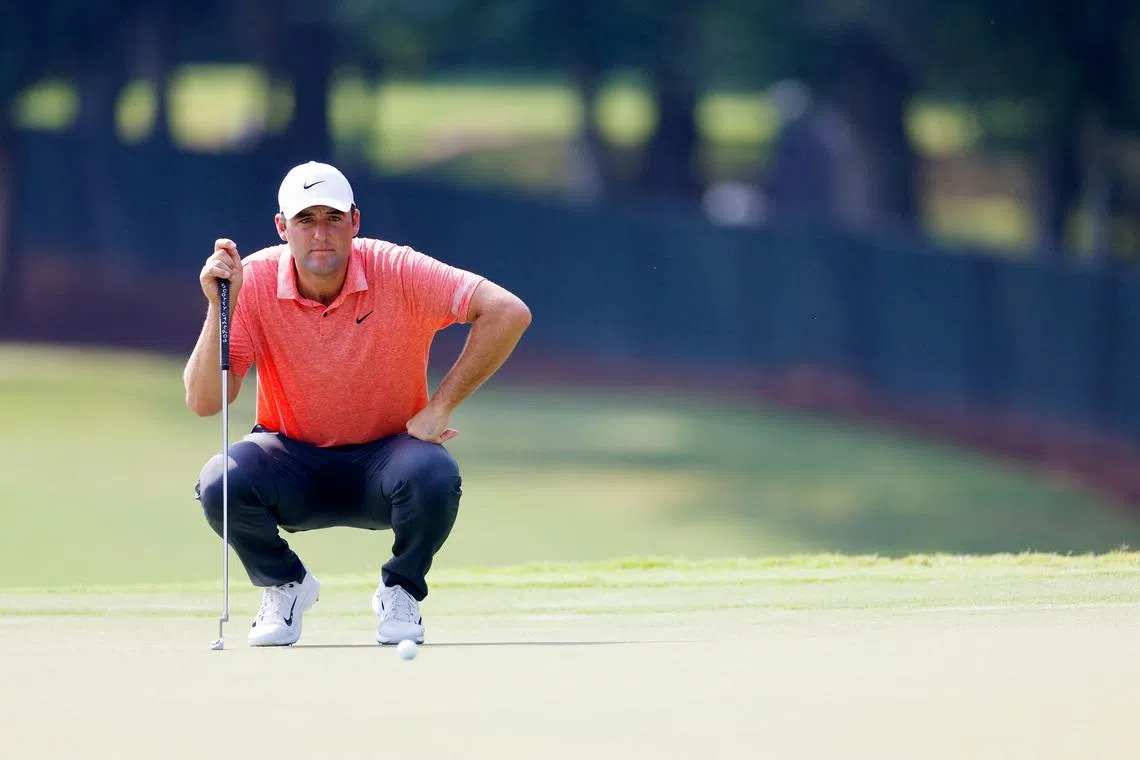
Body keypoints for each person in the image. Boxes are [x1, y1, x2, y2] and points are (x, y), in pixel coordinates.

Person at [184, 161, 531, 647]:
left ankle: (401, 589)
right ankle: (285, 585)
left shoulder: (397, 269)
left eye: (333, 218)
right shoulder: (254, 280)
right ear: (283, 227)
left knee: (434, 473)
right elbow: (204, 402)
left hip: (387, 463)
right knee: (221, 481)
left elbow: (507, 312)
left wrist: (440, 407)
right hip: (291, 461)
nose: (320, 233)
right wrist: (219, 306)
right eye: (306, 220)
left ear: (355, 222)